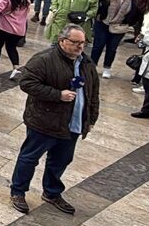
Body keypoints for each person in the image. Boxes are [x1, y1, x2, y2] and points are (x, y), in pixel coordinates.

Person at [9, 24, 100, 215]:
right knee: (30, 157)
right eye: (75, 42)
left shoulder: (86, 63)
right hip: (45, 121)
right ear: (62, 41)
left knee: (61, 160)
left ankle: (51, 192)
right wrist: (57, 94)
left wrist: (91, 119)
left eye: (82, 43)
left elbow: (93, 93)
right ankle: (18, 191)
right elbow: (26, 83)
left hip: (72, 124)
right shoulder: (44, 59)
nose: (79, 47)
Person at [90, 0, 139, 78]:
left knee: (112, 48)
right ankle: (92, 66)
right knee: (98, 46)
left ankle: (107, 68)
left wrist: (129, 22)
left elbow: (136, 13)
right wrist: (98, 14)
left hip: (119, 26)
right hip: (103, 22)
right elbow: (97, 2)